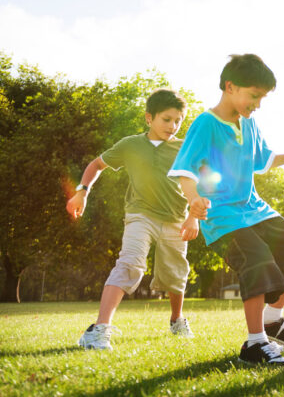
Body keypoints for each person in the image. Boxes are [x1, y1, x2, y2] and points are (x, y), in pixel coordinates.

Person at [169, 53, 284, 366]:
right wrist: (193, 199)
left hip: (256, 210)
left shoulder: (250, 123)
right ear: (230, 87)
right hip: (223, 217)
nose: (258, 103)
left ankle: (273, 320)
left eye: (262, 97)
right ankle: (255, 343)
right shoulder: (205, 124)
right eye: (254, 95)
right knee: (258, 261)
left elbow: (262, 160)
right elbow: (185, 169)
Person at [67, 89, 198, 351]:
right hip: (140, 215)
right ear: (149, 118)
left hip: (175, 219)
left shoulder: (185, 148)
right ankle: (99, 330)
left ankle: (176, 320)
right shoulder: (130, 145)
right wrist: (82, 192)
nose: (172, 126)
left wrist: (193, 217)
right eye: (166, 119)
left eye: (178, 121)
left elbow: (196, 185)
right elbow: (96, 165)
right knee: (130, 264)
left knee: (175, 274)